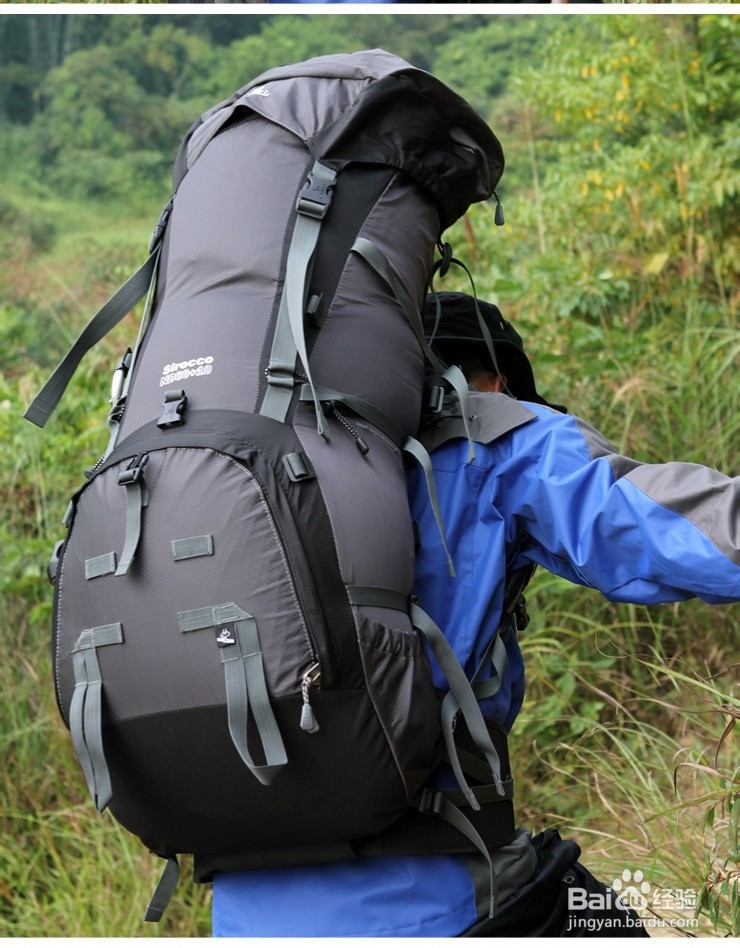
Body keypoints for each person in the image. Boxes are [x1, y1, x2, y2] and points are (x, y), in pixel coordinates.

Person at [211, 291, 739, 937]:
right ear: (490, 379)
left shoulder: (245, 472)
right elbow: (686, 539)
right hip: (438, 896)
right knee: (601, 915)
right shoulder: (494, 439)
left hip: (246, 912)